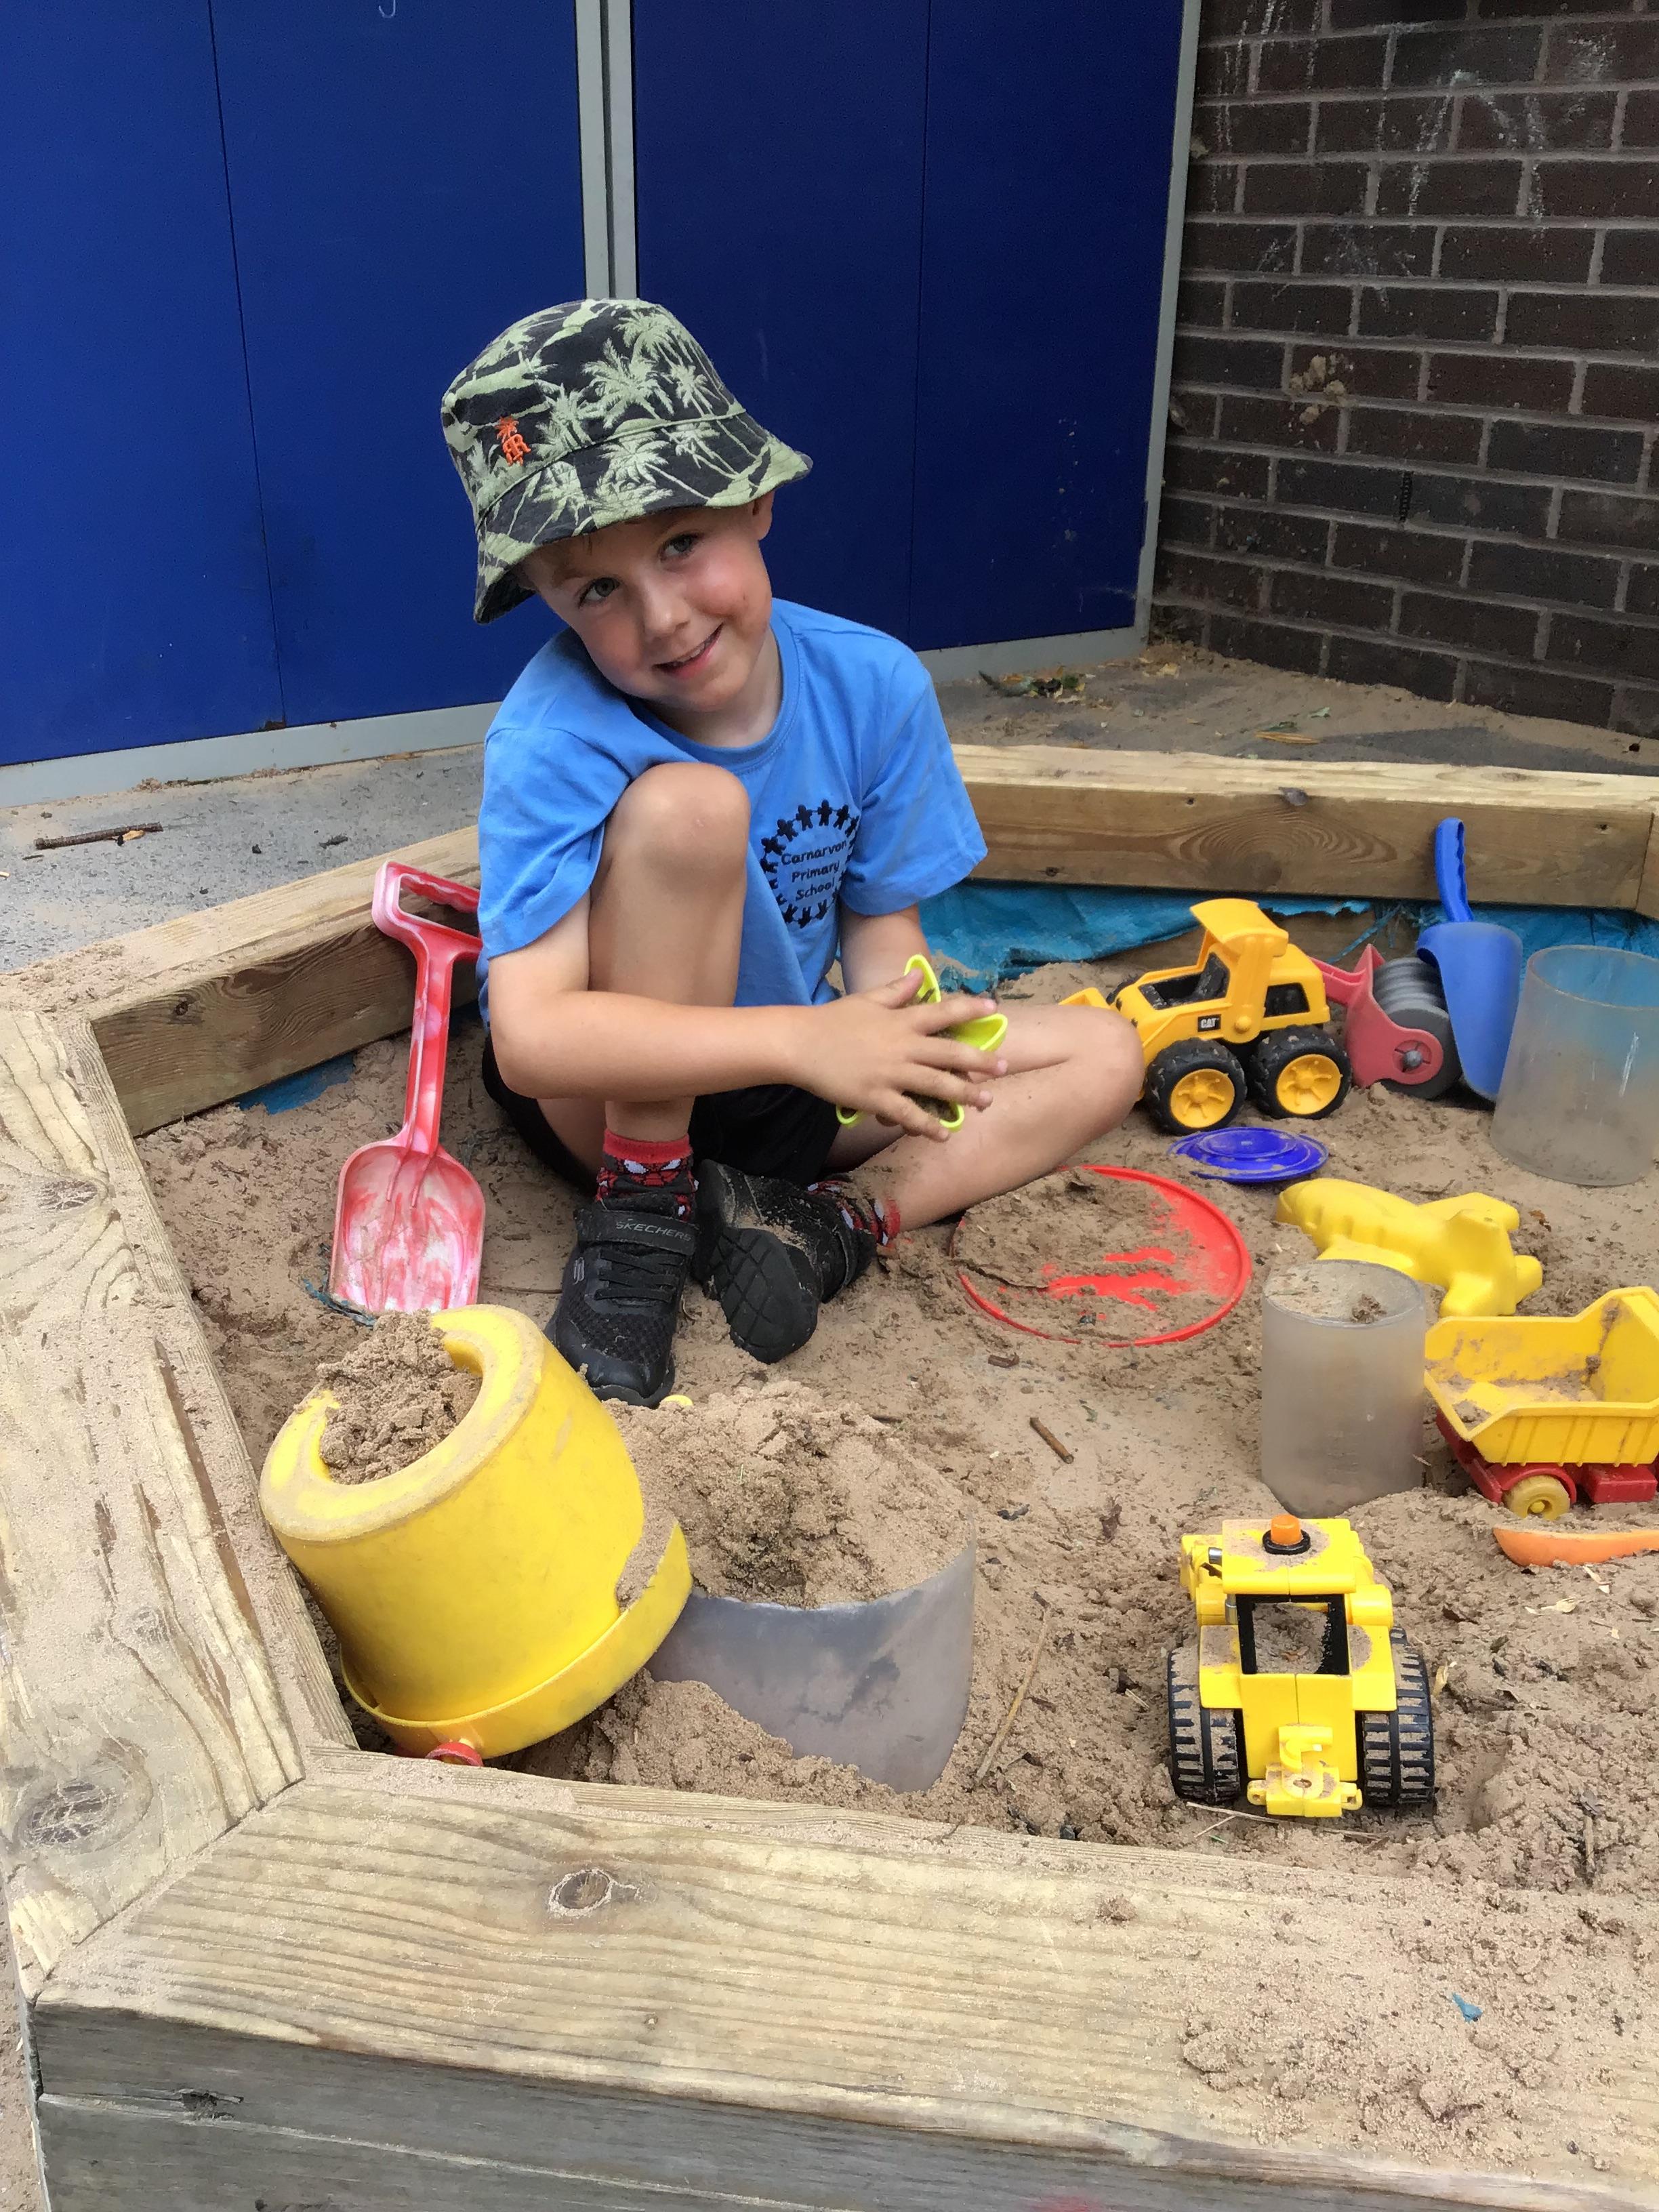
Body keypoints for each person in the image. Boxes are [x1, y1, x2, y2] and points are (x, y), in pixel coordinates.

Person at [441, 299, 1143, 1407]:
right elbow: (531, 1040)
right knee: (691, 810)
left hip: (787, 1082)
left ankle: (826, 1226)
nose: (664, 619)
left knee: (1104, 1052)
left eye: (680, 544)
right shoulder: (554, 734)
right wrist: (809, 1039)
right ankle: (642, 1219)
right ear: (545, 596)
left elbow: (883, 949)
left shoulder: (873, 686)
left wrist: (893, 1045)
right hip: (611, 1096)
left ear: (753, 497)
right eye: (597, 590)